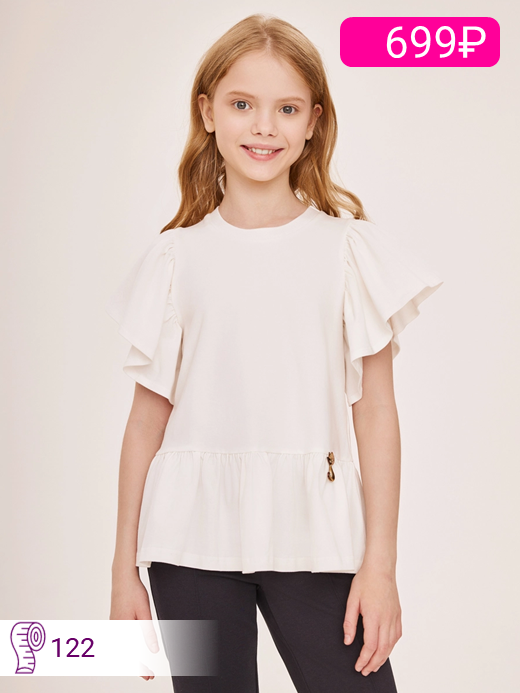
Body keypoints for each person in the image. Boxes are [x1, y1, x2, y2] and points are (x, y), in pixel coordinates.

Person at [107, 13, 443, 693]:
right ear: (208, 112)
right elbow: (146, 421)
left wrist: (380, 565)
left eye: (287, 108)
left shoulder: (348, 252)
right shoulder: (175, 259)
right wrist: (123, 572)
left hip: (316, 534)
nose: (264, 127)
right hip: (187, 541)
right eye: (242, 105)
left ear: (314, 121)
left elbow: (376, 412)